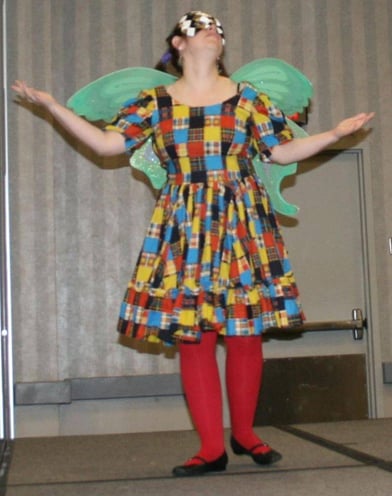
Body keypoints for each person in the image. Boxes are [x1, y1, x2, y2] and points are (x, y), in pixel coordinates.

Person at [12, 10, 374, 477]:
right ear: (177, 44)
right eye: (201, 26)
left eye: (219, 29)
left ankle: (245, 434)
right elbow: (107, 145)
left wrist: (336, 134)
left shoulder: (248, 99)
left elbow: (280, 150)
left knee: (244, 331)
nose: (213, 32)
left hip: (241, 219)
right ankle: (210, 448)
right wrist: (50, 105)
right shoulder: (155, 102)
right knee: (194, 335)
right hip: (183, 222)